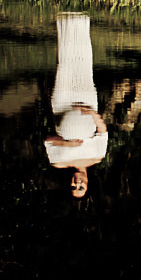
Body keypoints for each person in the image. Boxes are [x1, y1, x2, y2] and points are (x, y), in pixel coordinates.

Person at [45, 12, 108, 198]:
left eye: (73, 187)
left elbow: (48, 140)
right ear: (88, 184)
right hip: (87, 103)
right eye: (81, 187)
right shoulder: (97, 156)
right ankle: (81, 21)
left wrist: (67, 143)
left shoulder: (58, 161)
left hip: (63, 103)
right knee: (83, 65)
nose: (76, 184)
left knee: (65, 65)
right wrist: (93, 114)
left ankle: (65, 20)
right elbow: (103, 131)